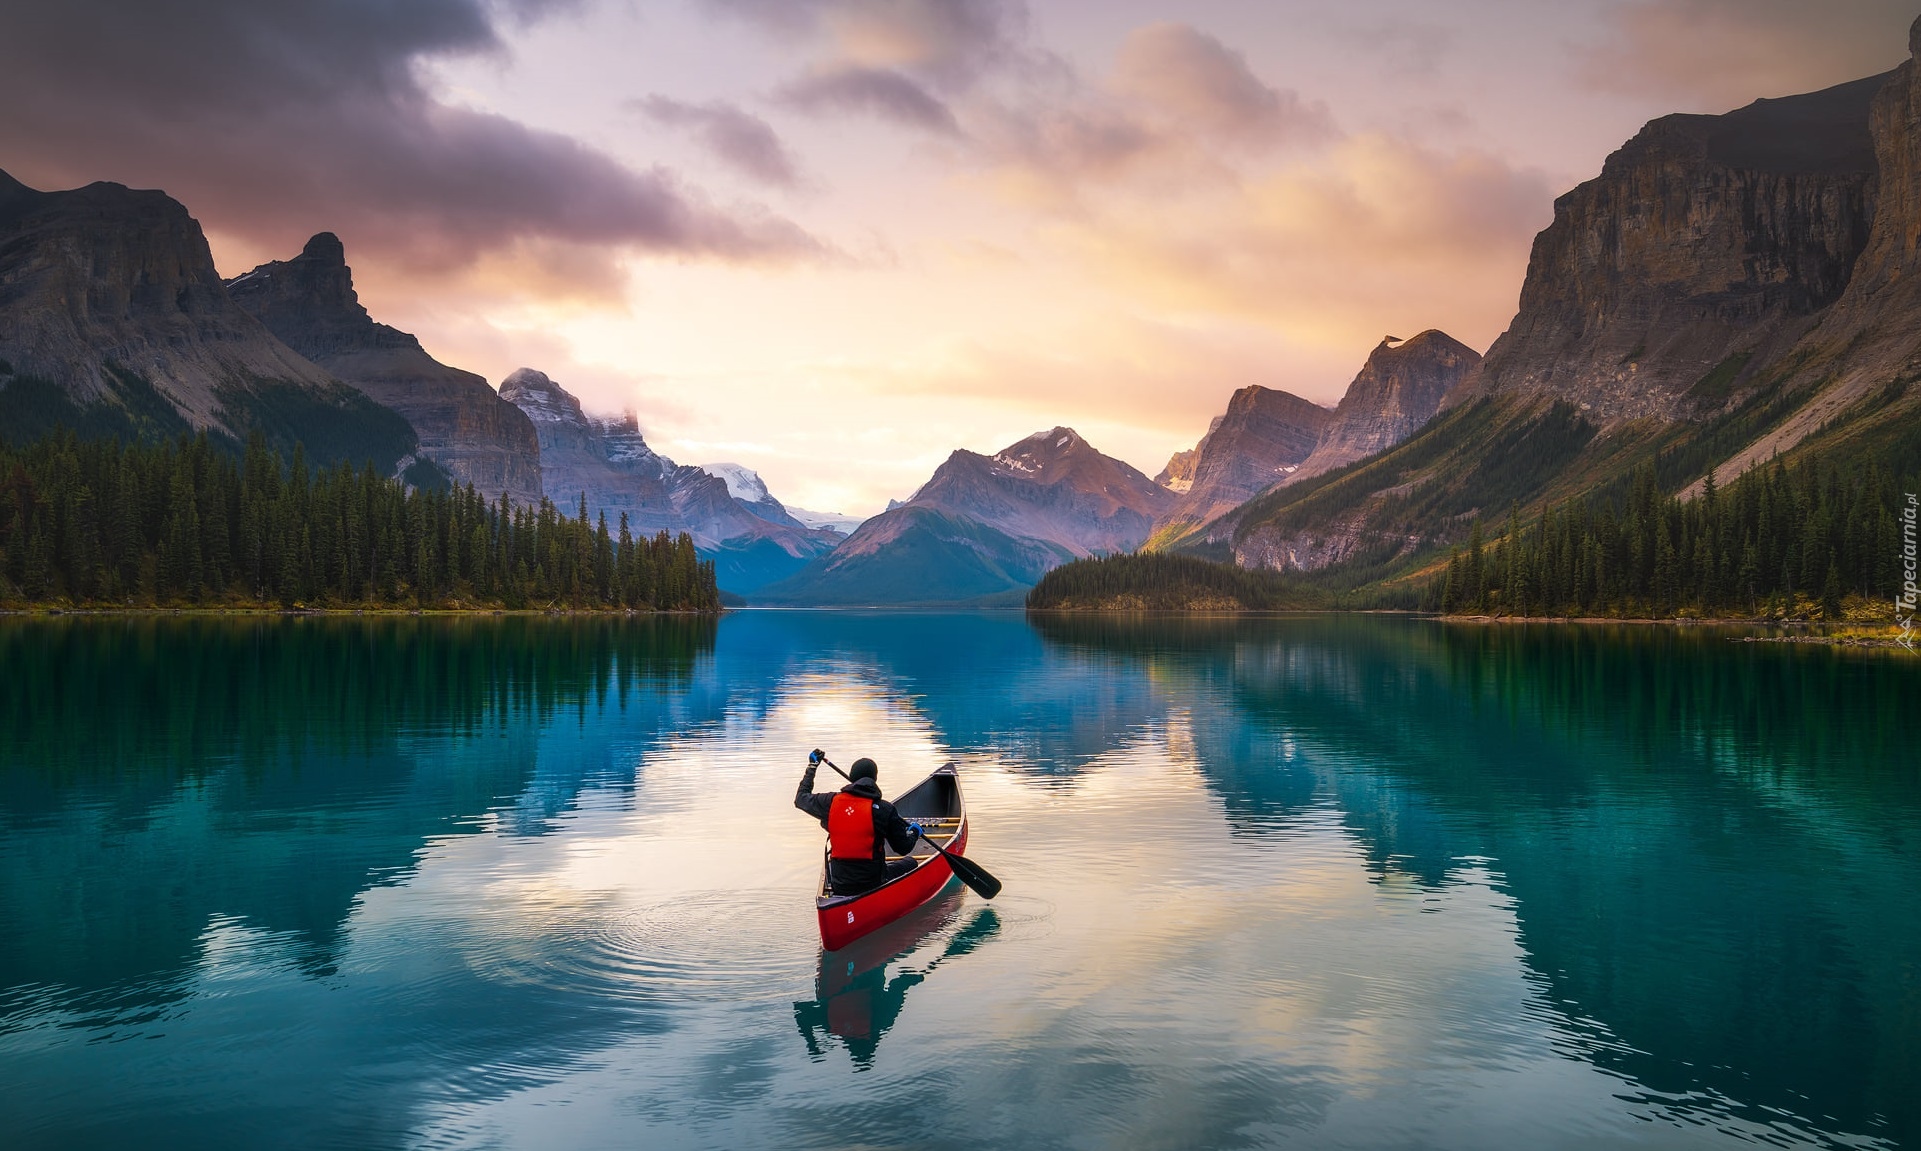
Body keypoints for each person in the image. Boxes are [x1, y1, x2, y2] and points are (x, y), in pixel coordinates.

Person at [795, 749, 922, 896]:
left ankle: (838, 906)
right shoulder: (885, 809)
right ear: (874, 779)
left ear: (851, 778)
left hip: (839, 884)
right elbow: (903, 848)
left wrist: (812, 767)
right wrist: (914, 833)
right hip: (873, 883)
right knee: (911, 862)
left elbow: (801, 798)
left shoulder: (830, 802)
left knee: (833, 866)